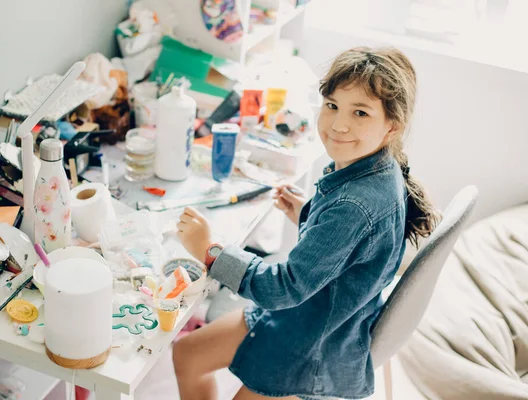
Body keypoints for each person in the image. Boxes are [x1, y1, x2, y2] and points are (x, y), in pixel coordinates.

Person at [173, 47, 440, 400]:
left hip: (310, 345)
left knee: (192, 352)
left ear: (392, 126)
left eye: (360, 112)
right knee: (187, 354)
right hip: (310, 312)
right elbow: (348, 246)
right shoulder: (377, 166)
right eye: (332, 106)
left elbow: (283, 288)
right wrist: (307, 213)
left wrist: (211, 252)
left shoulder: (354, 205)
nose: (339, 125)